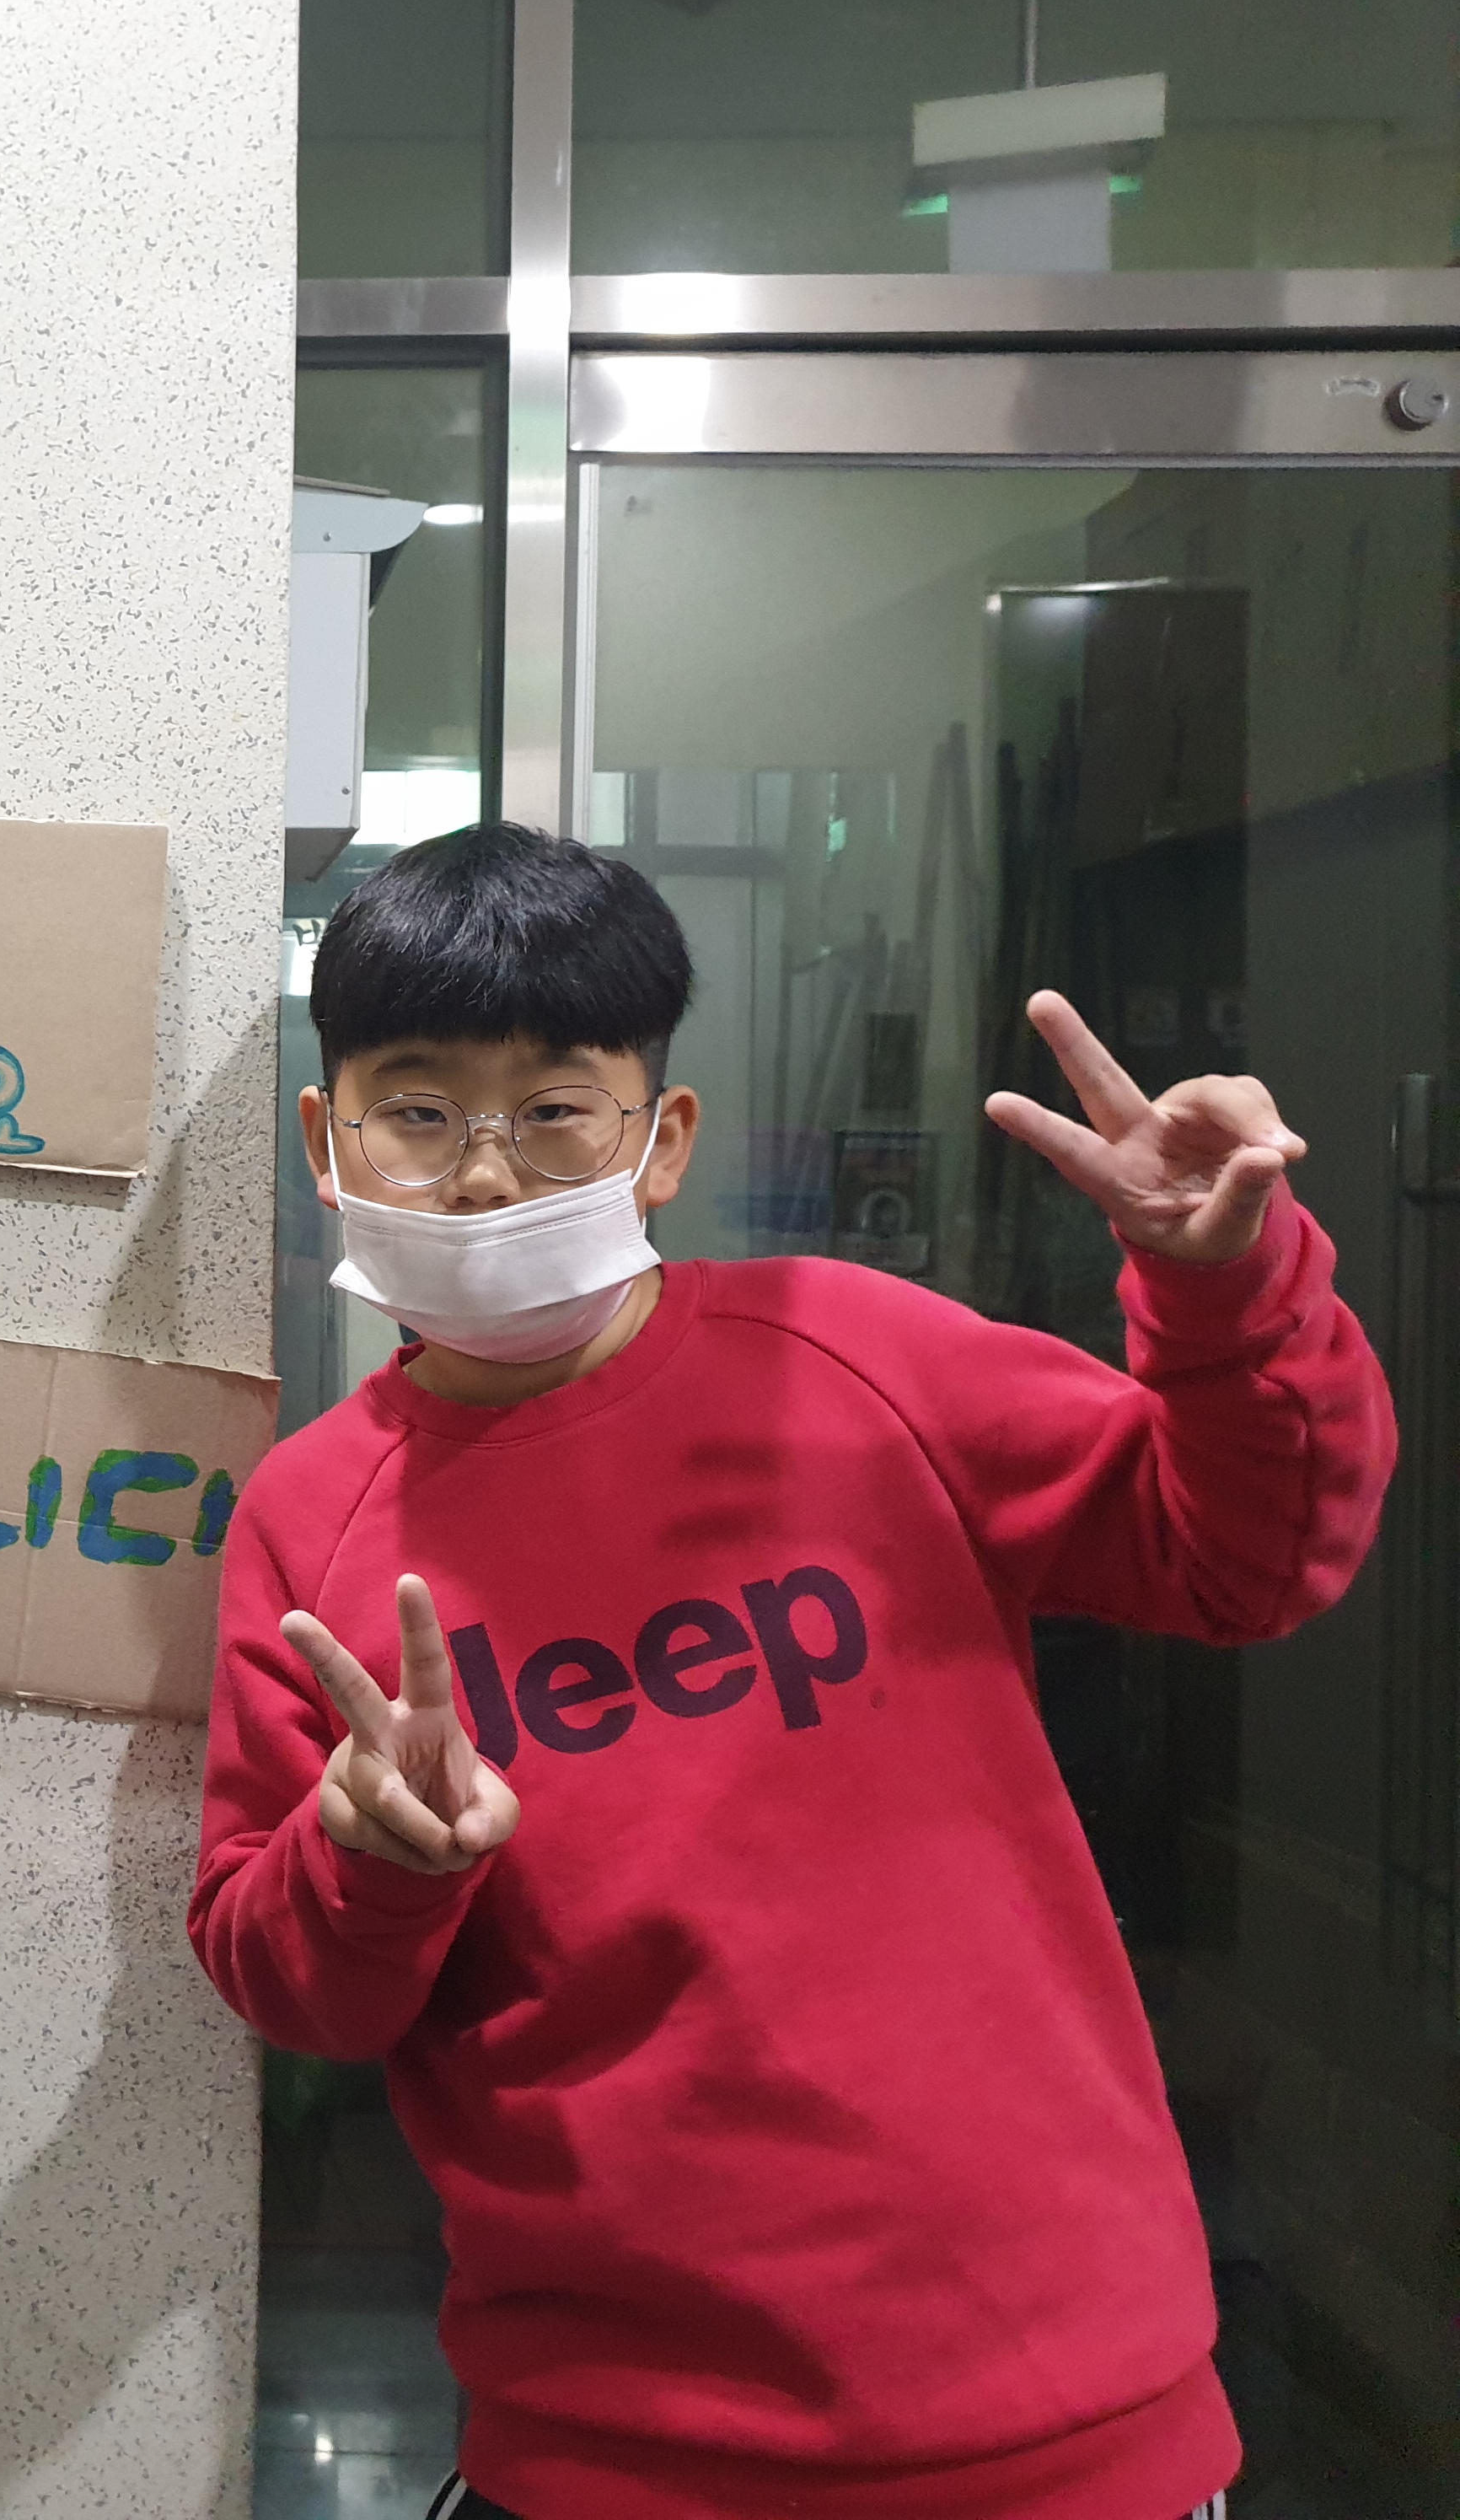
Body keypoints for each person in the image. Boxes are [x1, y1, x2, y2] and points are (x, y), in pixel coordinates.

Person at [194, 825, 1395, 2520]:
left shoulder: (857, 1359)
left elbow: (1249, 1562)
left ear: (663, 1140)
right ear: (329, 1144)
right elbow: (295, 1989)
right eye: (420, 1111)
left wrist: (1226, 1298)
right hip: (605, 2449)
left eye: (556, 1109)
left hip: (1063, 2417)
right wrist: (372, 1863)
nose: (483, 1177)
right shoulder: (311, 1518)